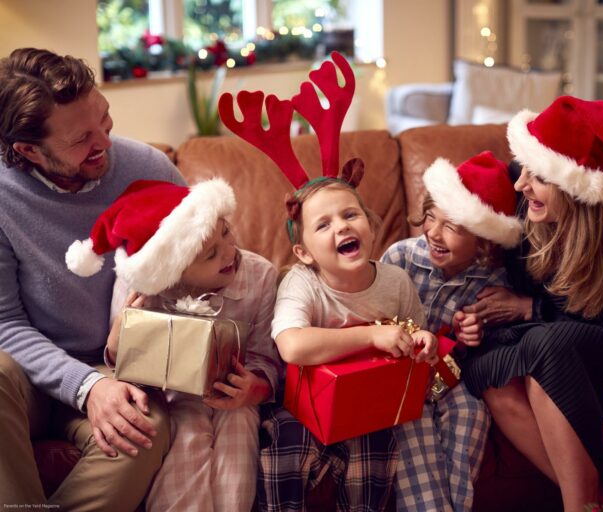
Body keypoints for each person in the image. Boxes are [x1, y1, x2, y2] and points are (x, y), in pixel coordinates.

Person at [461, 96, 603, 512]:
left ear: (575, 187)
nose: (521, 186)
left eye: (537, 178)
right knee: (490, 370)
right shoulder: (529, 211)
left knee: (546, 351)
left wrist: (529, 310)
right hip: (550, 334)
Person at [0, 48, 184, 508]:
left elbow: (207, 276)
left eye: (105, 119)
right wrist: (85, 386)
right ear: (28, 150)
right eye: (82, 139)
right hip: (30, 374)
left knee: (145, 427)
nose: (105, 141)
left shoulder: (151, 170)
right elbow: (4, 323)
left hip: (120, 366)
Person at [66, 178, 280, 511]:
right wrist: (120, 334)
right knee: (187, 436)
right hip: (173, 395)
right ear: (174, 273)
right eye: (211, 255)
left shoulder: (260, 274)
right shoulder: (138, 285)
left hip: (237, 397)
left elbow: (267, 357)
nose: (229, 251)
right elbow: (120, 364)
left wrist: (255, 388)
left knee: (239, 431)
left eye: (226, 232)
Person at [260, 173, 439, 512]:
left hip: (368, 406)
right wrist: (371, 334)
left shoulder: (395, 282)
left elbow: (416, 334)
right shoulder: (302, 283)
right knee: (284, 445)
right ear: (304, 253)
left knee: (377, 447)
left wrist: (423, 341)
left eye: (350, 215)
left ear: (370, 226)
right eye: (323, 225)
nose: (341, 227)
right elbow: (292, 346)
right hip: (302, 406)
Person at [381, 150, 523, 511]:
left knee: (472, 413)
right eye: (431, 217)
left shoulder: (492, 280)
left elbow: (483, 344)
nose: (434, 233)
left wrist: (472, 333)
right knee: (414, 424)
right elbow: (373, 317)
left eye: (454, 227)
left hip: (450, 381)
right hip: (402, 377)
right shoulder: (399, 258)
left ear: (484, 239)